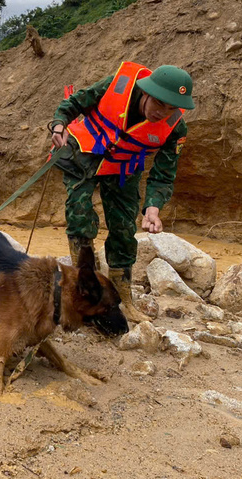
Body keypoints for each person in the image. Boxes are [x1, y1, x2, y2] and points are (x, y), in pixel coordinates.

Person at [49, 61, 194, 323]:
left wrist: (153, 207)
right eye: (159, 103)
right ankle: (83, 288)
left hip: (124, 167)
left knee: (125, 229)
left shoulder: (176, 128)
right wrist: (59, 125)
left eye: (171, 107)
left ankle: (123, 298)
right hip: (85, 154)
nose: (163, 112)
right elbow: (76, 103)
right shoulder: (117, 86)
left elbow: (164, 173)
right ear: (147, 92)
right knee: (80, 215)